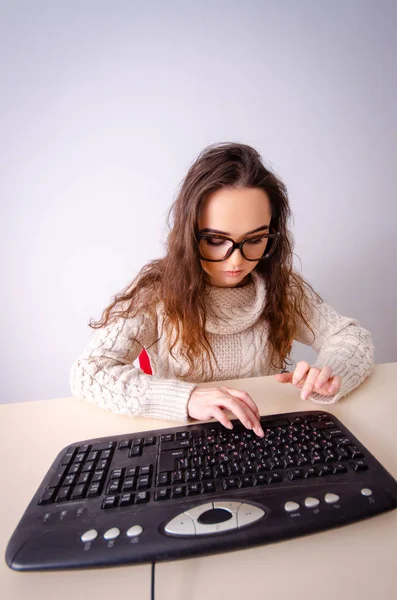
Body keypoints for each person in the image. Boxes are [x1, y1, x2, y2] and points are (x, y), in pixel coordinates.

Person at [70, 142, 374, 438]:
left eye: (255, 239)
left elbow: (351, 337)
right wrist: (187, 399)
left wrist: (331, 371)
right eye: (216, 241)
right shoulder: (156, 292)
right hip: (182, 440)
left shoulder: (284, 288)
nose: (237, 260)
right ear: (189, 234)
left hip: (262, 433)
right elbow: (89, 372)